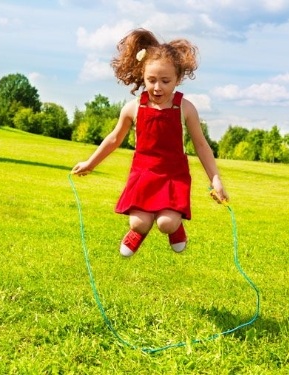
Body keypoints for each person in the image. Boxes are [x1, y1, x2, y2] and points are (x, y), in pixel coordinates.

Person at [72, 28, 229, 257]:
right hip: (144, 173)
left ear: (177, 79)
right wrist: (90, 163)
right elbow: (114, 138)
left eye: (165, 81)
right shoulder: (133, 108)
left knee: (166, 223)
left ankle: (176, 228)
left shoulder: (184, 108)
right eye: (151, 80)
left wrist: (215, 180)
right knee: (138, 223)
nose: (157, 87)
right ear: (142, 76)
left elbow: (202, 146)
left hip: (173, 175)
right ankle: (138, 233)